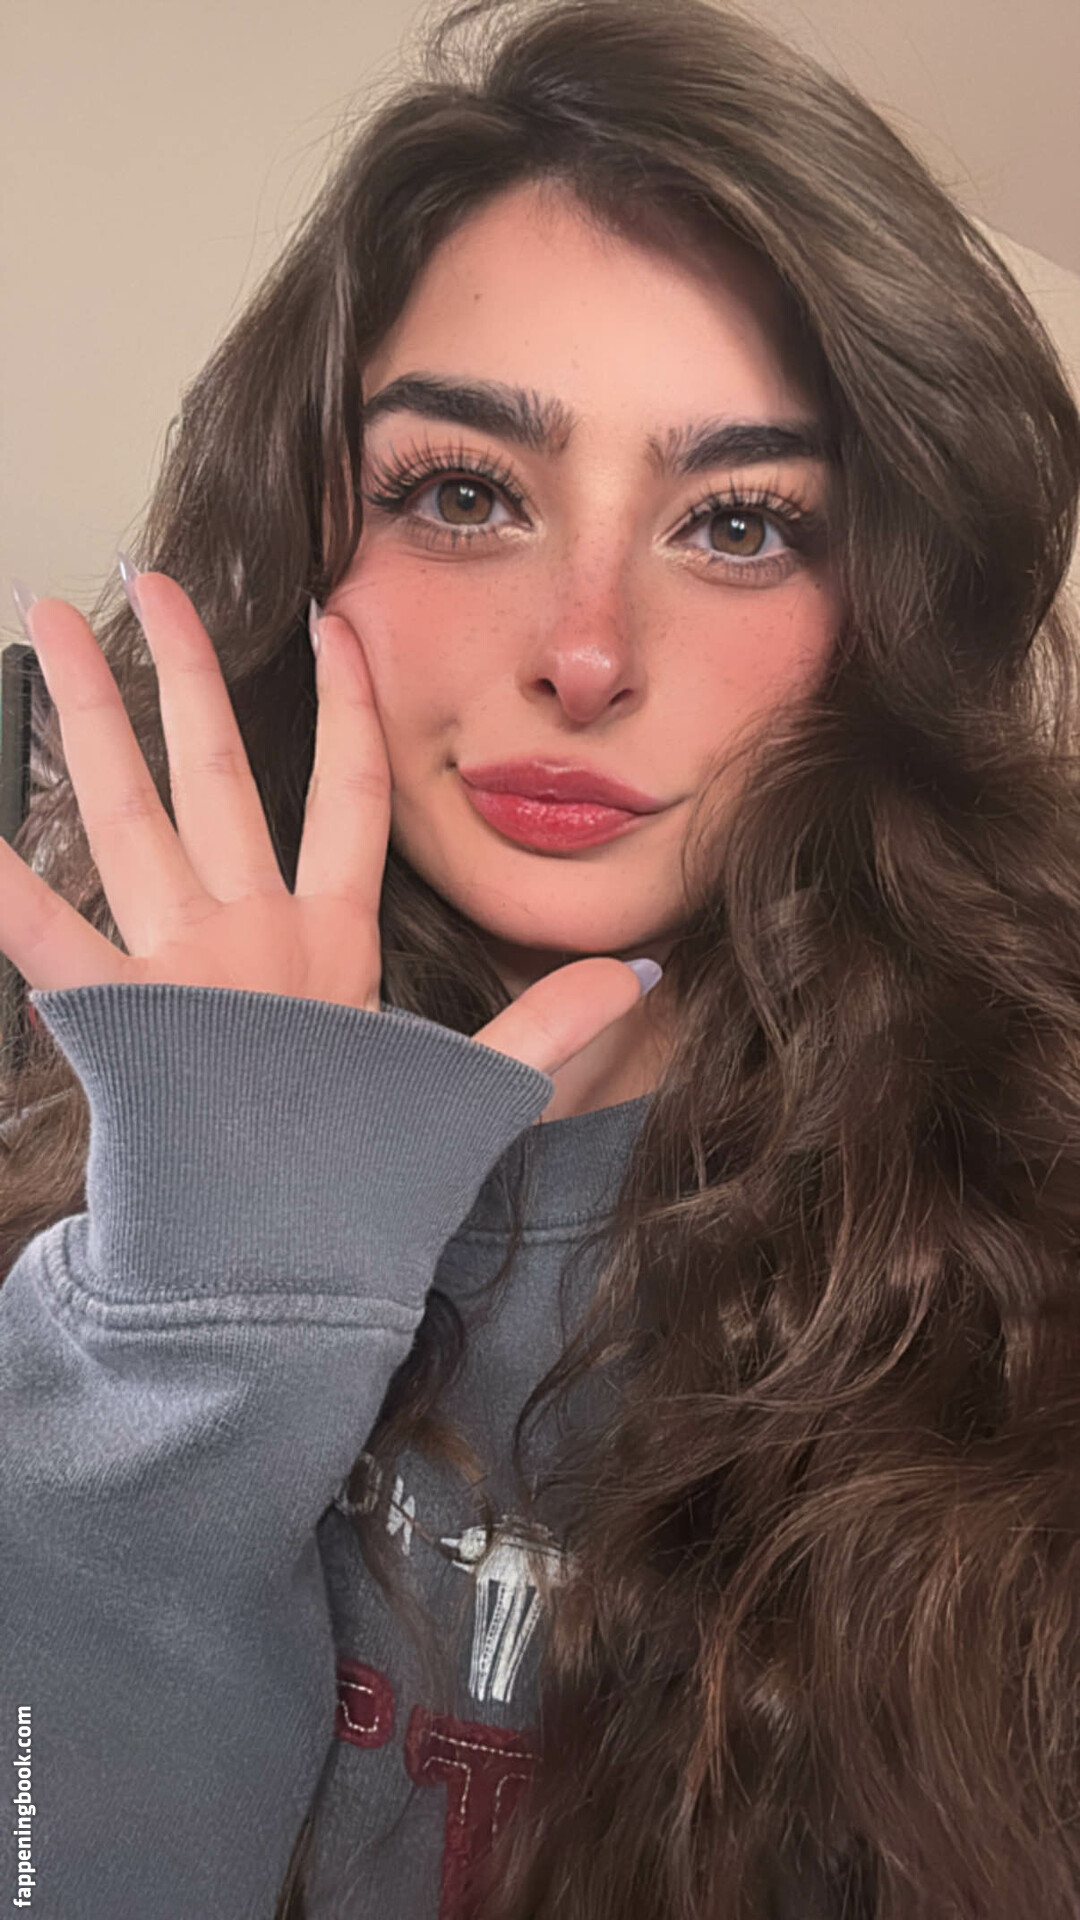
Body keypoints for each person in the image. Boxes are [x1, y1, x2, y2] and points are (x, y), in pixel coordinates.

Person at [2, 0, 1079, 1914]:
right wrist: (206, 1302)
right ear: (313, 537)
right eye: (465, 492)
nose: (586, 654)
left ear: (888, 612)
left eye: (739, 523)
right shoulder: (61, 1150)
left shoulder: (1031, 1241)